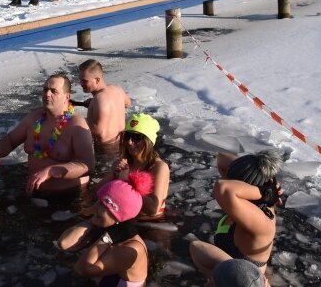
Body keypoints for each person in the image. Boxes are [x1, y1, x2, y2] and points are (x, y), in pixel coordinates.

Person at [0, 73, 95, 195]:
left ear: (66, 97)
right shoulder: (34, 118)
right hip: (35, 193)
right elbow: (11, 140)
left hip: (69, 198)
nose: (47, 94)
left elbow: (87, 165)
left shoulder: (76, 125)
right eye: (45, 89)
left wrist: (51, 171)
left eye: (54, 91)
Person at [190, 150, 283, 285]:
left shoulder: (263, 220)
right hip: (229, 272)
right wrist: (266, 182)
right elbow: (221, 158)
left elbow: (223, 187)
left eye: (233, 180)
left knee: (196, 248)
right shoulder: (243, 202)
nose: (225, 179)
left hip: (247, 281)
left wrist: (263, 191)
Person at [56, 171, 153, 286]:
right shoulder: (109, 226)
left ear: (119, 216)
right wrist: (94, 220)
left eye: (104, 205)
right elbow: (64, 243)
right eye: (100, 202)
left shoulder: (131, 248)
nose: (97, 207)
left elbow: (81, 269)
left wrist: (106, 238)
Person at [102, 114, 170, 221]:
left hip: (149, 223)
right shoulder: (123, 163)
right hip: (121, 217)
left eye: (136, 137)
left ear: (148, 140)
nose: (129, 142)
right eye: (127, 136)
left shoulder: (159, 167)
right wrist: (112, 172)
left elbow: (153, 209)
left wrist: (126, 181)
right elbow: (98, 192)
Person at [77, 59, 132, 150]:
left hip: (106, 151)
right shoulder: (117, 89)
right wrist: (95, 107)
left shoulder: (99, 99)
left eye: (84, 81)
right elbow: (128, 104)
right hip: (122, 144)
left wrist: (76, 119)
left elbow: (99, 131)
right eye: (80, 80)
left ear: (97, 80)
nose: (81, 84)